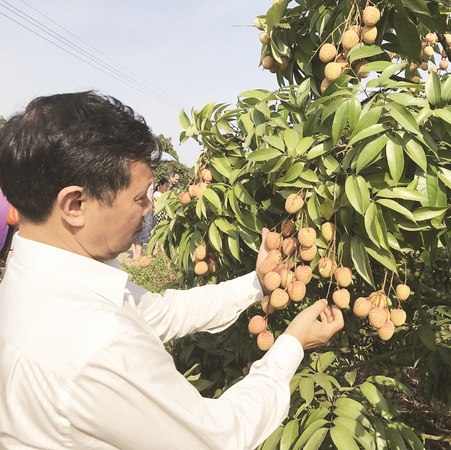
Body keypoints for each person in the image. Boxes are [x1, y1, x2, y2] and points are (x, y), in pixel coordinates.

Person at [0, 91, 344, 449]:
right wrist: (292, 344)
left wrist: (258, 282)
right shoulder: (99, 343)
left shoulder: (35, 280)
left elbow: (165, 313)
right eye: (139, 197)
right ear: (74, 204)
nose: (150, 208)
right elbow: (220, 439)